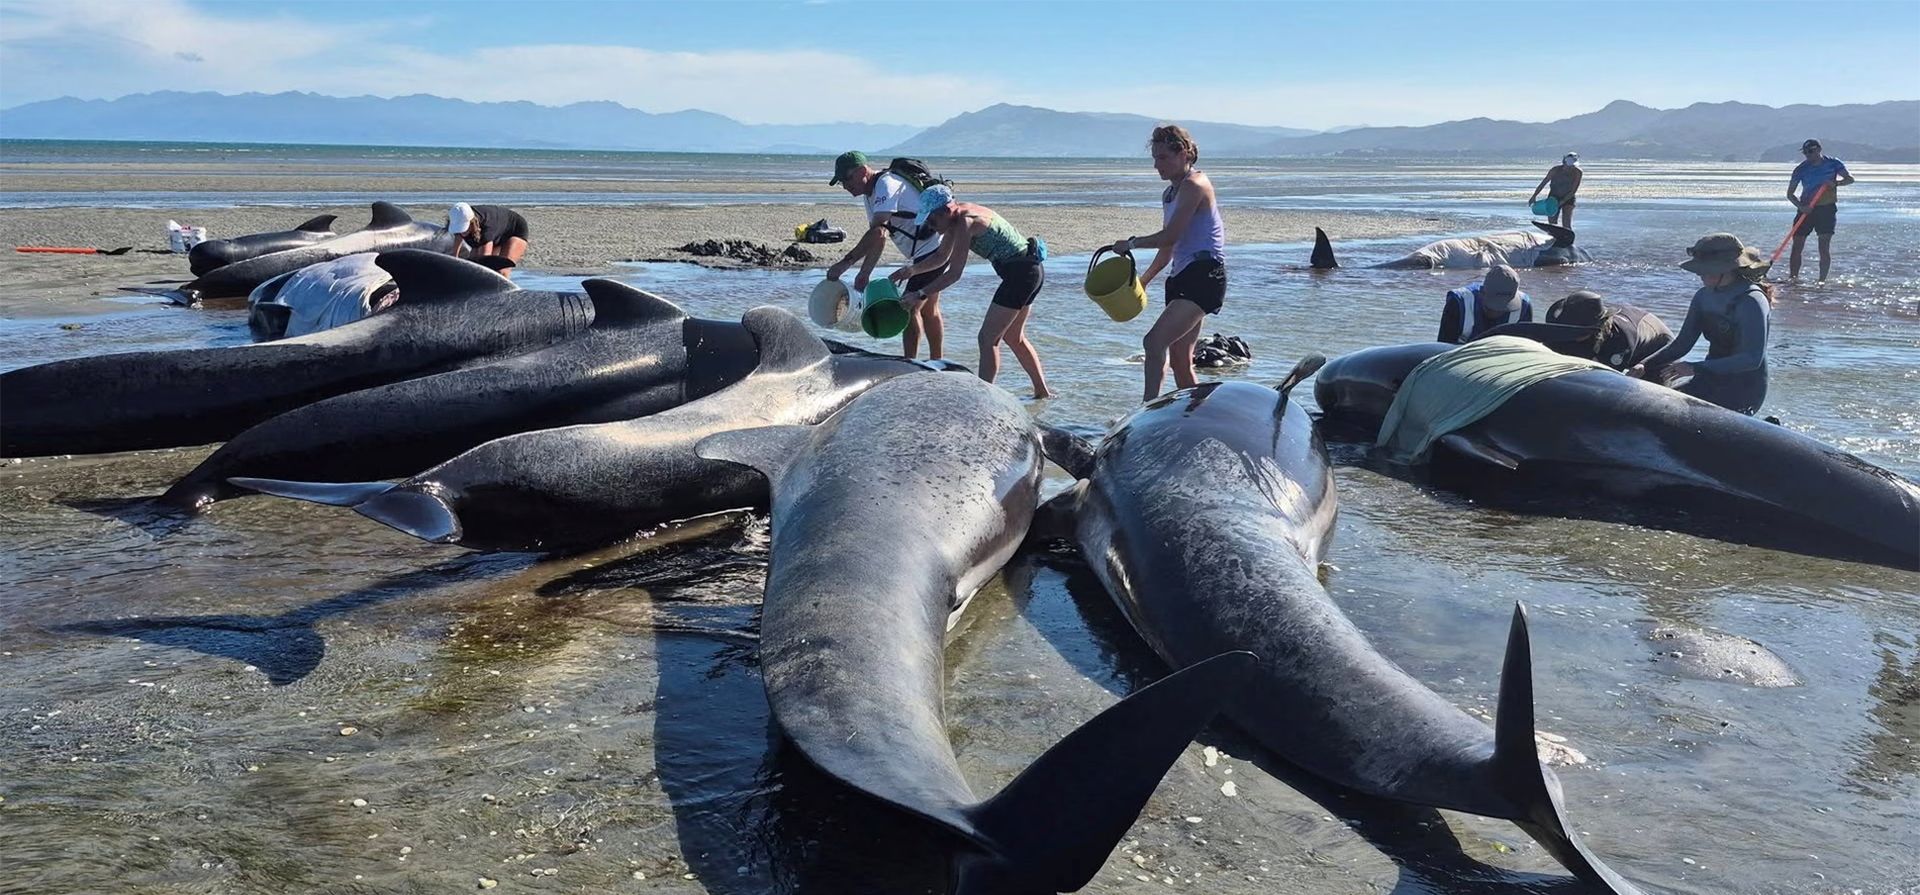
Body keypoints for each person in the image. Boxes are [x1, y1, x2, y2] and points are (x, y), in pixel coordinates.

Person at [888, 185, 1052, 398]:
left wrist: (920, 294)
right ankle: (1042, 393)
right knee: (1013, 337)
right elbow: (941, 257)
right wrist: (910, 270)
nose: (929, 225)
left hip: (1021, 275)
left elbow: (954, 273)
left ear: (946, 210)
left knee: (987, 339)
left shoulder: (967, 222)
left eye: (931, 219)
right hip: (1031, 270)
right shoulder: (956, 218)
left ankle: (983, 398)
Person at [1107, 124, 1227, 402]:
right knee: (1180, 360)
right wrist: (1144, 280)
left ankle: (1147, 408)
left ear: (1183, 153)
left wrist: (1132, 243)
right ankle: (1195, 415)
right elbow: (1169, 246)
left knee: (1153, 342)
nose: (1156, 165)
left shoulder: (1196, 185)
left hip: (1205, 276)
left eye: (1163, 158)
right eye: (1155, 158)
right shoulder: (1170, 193)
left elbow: (1170, 235)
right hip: (1181, 276)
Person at [1630, 233, 1772, 415]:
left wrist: (1695, 368)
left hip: (1743, 389)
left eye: (1705, 270)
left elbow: (1752, 359)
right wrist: (1645, 364)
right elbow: (1682, 344)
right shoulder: (1703, 296)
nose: (1700, 275)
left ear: (1727, 269)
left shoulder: (1751, 301)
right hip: (1708, 380)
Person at [823, 151, 946, 359]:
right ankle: (938, 362)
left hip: (933, 249)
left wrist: (845, 263)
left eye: (847, 179)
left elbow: (878, 230)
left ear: (862, 171)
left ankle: (910, 363)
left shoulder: (886, 185)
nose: (845, 186)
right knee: (928, 309)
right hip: (928, 250)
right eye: (841, 182)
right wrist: (864, 273)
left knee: (909, 307)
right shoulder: (869, 194)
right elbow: (880, 237)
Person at [1786, 139, 1854, 281]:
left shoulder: (1833, 164)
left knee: (1823, 247)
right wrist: (1801, 207)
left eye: (1810, 151)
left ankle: (1821, 281)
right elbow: (1790, 194)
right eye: (1805, 153)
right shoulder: (1801, 169)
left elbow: (1849, 179)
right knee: (1797, 245)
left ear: (1818, 149)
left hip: (1826, 209)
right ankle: (1793, 279)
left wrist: (1835, 183)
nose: (1808, 155)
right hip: (1806, 209)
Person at [1436, 264, 1531, 344]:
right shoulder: (1458, 304)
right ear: (1482, 293)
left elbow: (1524, 347)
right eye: (1493, 307)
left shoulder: (1524, 307)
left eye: (1505, 308)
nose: (1498, 312)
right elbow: (1443, 346)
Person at [447, 203, 531, 274]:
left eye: (464, 228)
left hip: (515, 229)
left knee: (501, 270)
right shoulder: (458, 217)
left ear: (472, 222)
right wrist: (455, 258)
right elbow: (458, 236)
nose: (462, 233)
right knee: (471, 263)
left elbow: (485, 259)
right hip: (497, 230)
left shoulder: (486, 228)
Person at [1529, 153, 1583, 229]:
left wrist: (1562, 201)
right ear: (1564, 162)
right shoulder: (1555, 170)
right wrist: (1534, 196)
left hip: (1569, 197)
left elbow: (1573, 191)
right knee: (1552, 223)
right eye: (1568, 165)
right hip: (1553, 197)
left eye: (1572, 166)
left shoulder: (1577, 172)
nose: (1570, 168)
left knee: (1566, 223)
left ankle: (1567, 236)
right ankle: (1553, 237)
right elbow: (1543, 183)